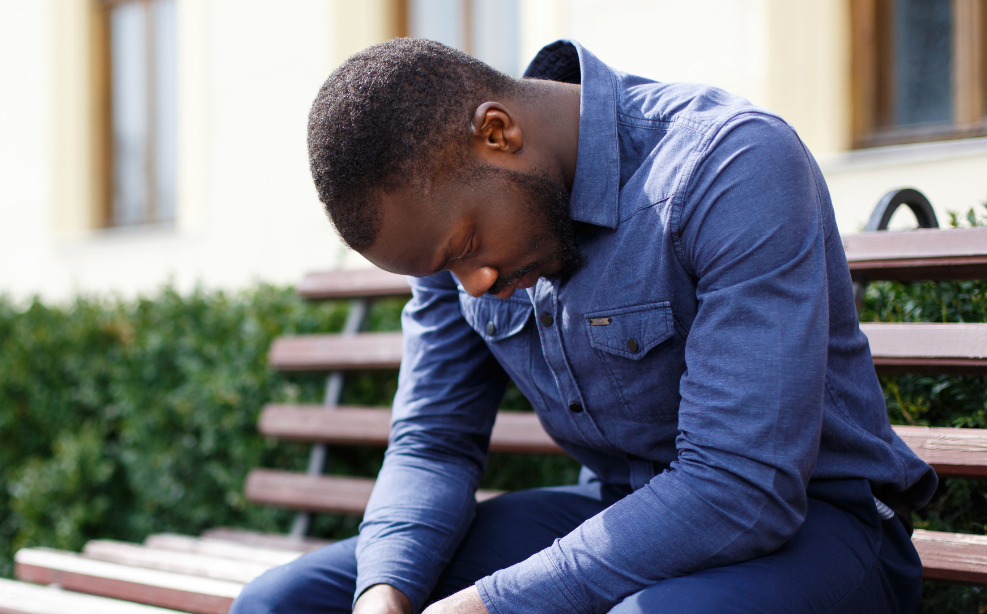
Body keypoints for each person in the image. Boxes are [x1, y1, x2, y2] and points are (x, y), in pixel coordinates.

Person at [229, 38, 937, 614]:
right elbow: (434, 443)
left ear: (497, 133)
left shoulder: (728, 164)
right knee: (284, 604)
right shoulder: (449, 222)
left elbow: (740, 488)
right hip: (622, 513)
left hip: (822, 529)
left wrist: (490, 605)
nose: (468, 285)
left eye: (464, 251)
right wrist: (383, 596)